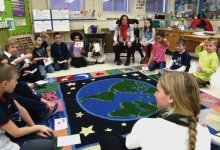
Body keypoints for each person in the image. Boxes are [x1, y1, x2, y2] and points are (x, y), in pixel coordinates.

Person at [100, 72, 211, 150]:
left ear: (171, 98)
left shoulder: (146, 125)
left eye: (157, 90)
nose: (154, 94)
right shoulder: (205, 133)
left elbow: (129, 144)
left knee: (106, 137)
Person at [0, 63, 54, 150]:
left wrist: (35, 128)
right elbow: (16, 133)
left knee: (48, 135)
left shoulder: (6, 93)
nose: (17, 83)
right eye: (15, 80)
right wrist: (38, 127)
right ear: (5, 84)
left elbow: (21, 109)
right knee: (49, 145)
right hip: (10, 138)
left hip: (15, 130)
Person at [0, 54, 59, 123]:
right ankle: (41, 110)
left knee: (22, 85)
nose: (6, 67)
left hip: (17, 84)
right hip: (10, 94)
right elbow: (16, 132)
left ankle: (39, 101)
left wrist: (46, 101)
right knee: (19, 96)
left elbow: (17, 78)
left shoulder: (9, 70)